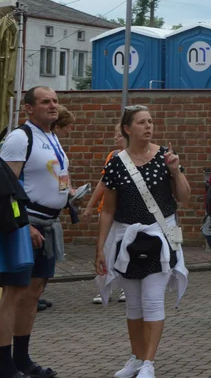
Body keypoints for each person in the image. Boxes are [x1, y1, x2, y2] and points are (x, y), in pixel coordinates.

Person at [95, 105, 191, 378]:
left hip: (160, 238)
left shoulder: (165, 157)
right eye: (141, 122)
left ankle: (149, 362)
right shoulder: (116, 161)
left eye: (150, 121)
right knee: (134, 305)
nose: (148, 126)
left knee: (152, 301)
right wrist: (100, 247)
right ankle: (136, 358)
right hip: (127, 239)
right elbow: (109, 209)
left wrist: (175, 171)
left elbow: (183, 197)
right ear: (127, 128)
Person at [0, 86, 75, 378]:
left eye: (55, 101)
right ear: (28, 108)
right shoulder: (19, 138)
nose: (53, 106)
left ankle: (22, 360)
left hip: (48, 226)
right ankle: (4, 367)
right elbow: (6, 186)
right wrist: (24, 225)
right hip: (25, 226)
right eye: (45, 102)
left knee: (33, 294)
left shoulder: (51, 135)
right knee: (13, 294)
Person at [85, 127, 129, 306]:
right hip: (109, 212)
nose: (115, 137)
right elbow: (103, 183)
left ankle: (127, 287)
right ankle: (104, 288)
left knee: (127, 251)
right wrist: (90, 205)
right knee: (105, 250)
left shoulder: (140, 157)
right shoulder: (113, 156)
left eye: (118, 134)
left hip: (127, 214)